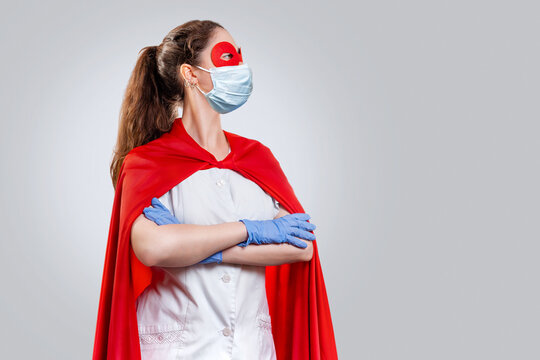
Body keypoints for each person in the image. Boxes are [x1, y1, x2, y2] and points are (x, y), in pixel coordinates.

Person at [93, 19, 338, 360]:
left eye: (240, 55)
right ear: (190, 74)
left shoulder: (258, 159)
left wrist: (196, 248)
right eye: (226, 57)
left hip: (251, 349)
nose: (240, 66)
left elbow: (302, 249)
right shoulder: (147, 163)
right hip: (177, 349)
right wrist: (252, 231)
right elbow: (153, 249)